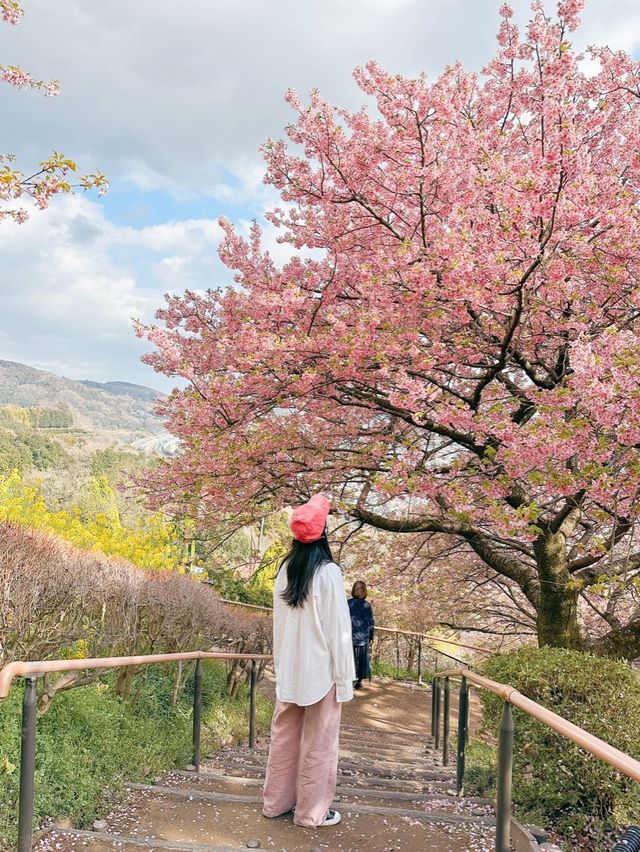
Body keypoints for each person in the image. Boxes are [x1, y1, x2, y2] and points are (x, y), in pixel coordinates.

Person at [262, 494, 355, 828]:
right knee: (319, 743)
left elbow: (279, 625)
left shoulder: (285, 570)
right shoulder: (328, 573)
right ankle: (311, 812)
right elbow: (339, 633)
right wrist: (345, 682)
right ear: (324, 532)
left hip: (289, 671)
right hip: (321, 673)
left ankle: (275, 802)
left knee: (283, 737)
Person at [348, 581, 375, 689]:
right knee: (361, 659)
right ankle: (358, 681)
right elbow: (370, 622)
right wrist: (371, 636)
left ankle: (351, 680)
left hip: (348, 637)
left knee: (351, 658)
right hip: (363, 637)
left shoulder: (347, 603)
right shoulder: (366, 605)